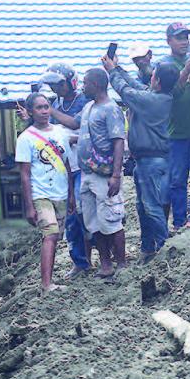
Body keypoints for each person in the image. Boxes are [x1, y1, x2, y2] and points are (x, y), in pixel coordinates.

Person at [104, 52, 176, 259]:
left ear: (158, 81)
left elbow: (126, 91)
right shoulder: (157, 97)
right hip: (149, 160)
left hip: (149, 161)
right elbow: (134, 85)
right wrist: (117, 69)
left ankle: (163, 249)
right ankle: (148, 248)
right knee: (144, 205)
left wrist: (111, 72)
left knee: (151, 206)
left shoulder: (152, 100)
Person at [15, 93, 76, 292]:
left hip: (61, 194)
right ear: (31, 112)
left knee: (56, 237)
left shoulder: (59, 133)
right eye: (39, 108)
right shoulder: (26, 138)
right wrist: (29, 206)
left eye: (46, 106)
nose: (44, 111)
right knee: (50, 234)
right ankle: (46, 284)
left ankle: (49, 280)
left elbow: (67, 164)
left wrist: (72, 194)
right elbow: (24, 174)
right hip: (41, 194)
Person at [37, 63, 91, 278]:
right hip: (62, 170)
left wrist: (52, 113)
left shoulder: (84, 101)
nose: (56, 89)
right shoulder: (56, 103)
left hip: (83, 166)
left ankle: (97, 254)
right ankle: (80, 262)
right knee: (70, 218)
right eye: (53, 86)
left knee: (82, 211)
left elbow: (77, 125)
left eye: (59, 85)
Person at [73, 68, 126, 278]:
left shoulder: (111, 109)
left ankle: (121, 264)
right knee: (93, 223)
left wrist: (116, 175)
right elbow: (74, 125)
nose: (82, 86)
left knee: (111, 220)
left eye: (85, 83)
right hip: (87, 174)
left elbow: (118, 142)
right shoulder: (88, 107)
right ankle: (105, 264)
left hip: (104, 174)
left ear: (96, 84)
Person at [159, 23, 190, 231]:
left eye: (185, 37)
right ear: (169, 40)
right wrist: (187, 69)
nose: (183, 42)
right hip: (175, 131)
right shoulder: (164, 65)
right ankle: (179, 220)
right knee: (177, 178)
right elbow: (170, 93)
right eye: (178, 38)